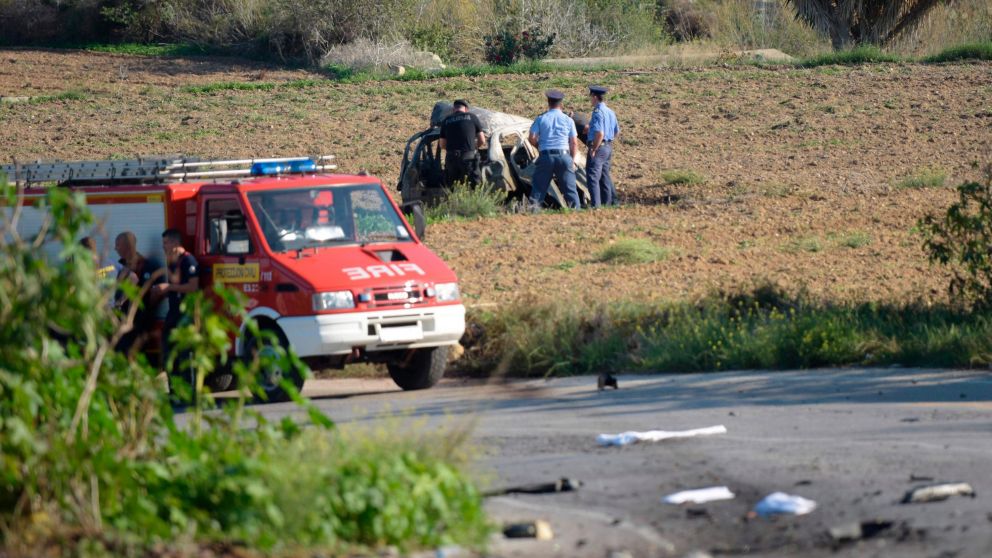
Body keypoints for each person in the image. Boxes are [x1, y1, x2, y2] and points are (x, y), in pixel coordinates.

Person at [153, 229, 199, 394]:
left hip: (185, 315)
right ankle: (174, 390)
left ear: (174, 243)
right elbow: (176, 287)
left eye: (166, 243)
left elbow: (193, 287)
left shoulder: (188, 260)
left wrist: (169, 287)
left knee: (185, 354)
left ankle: (188, 392)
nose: (163, 247)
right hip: (173, 313)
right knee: (168, 352)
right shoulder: (172, 262)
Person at [113, 231, 166, 356]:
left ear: (127, 245)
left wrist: (144, 315)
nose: (115, 248)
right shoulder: (120, 266)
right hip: (122, 322)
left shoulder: (148, 265)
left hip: (138, 324)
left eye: (118, 245)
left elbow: (156, 294)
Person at [528, 89, 580, 210]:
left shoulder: (541, 118)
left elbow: (532, 137)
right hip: (564, 156)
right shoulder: (568, 120)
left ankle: (533, 214)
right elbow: (574, 143)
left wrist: (539, 146)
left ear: (548, 103)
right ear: (561, 104)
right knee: (570, 190)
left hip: (546, 156)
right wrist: (572, 160)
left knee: (538, 189)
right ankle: (577, 213)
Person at [584, 85, 620, 207]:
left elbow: (600, 133)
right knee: (604, 176)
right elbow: (616, 132)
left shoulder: (597, 112)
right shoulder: (610, 112)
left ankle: (596, 206)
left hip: (599, 147)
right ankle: (607, 204)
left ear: (595, 97)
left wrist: (594, 148)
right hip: (608, 147)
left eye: (591, 97)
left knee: (593, 176)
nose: (590, 99)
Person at [439, 99, 486, 187]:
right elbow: (482, 140)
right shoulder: (472, 117)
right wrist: (474, 147)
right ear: (466, 109)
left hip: (452, 159)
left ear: (453, 110)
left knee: (452, 187)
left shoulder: (446, 120)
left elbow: (442, 145)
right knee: (474, 187)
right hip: (468, 158)